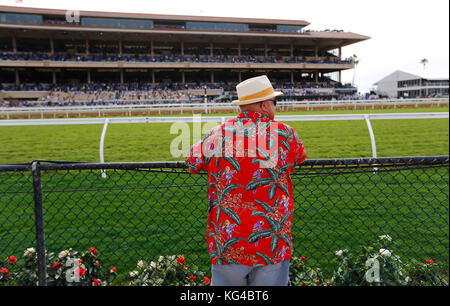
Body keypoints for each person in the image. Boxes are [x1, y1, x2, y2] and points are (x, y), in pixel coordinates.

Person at [186, 75, 307, 286]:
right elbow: (299, 158)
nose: (275, 107)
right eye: (274, 102)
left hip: (228, 241)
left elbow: (192, 162)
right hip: (272, 242)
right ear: (263, 105)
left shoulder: (216, 134)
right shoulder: (286, 135)